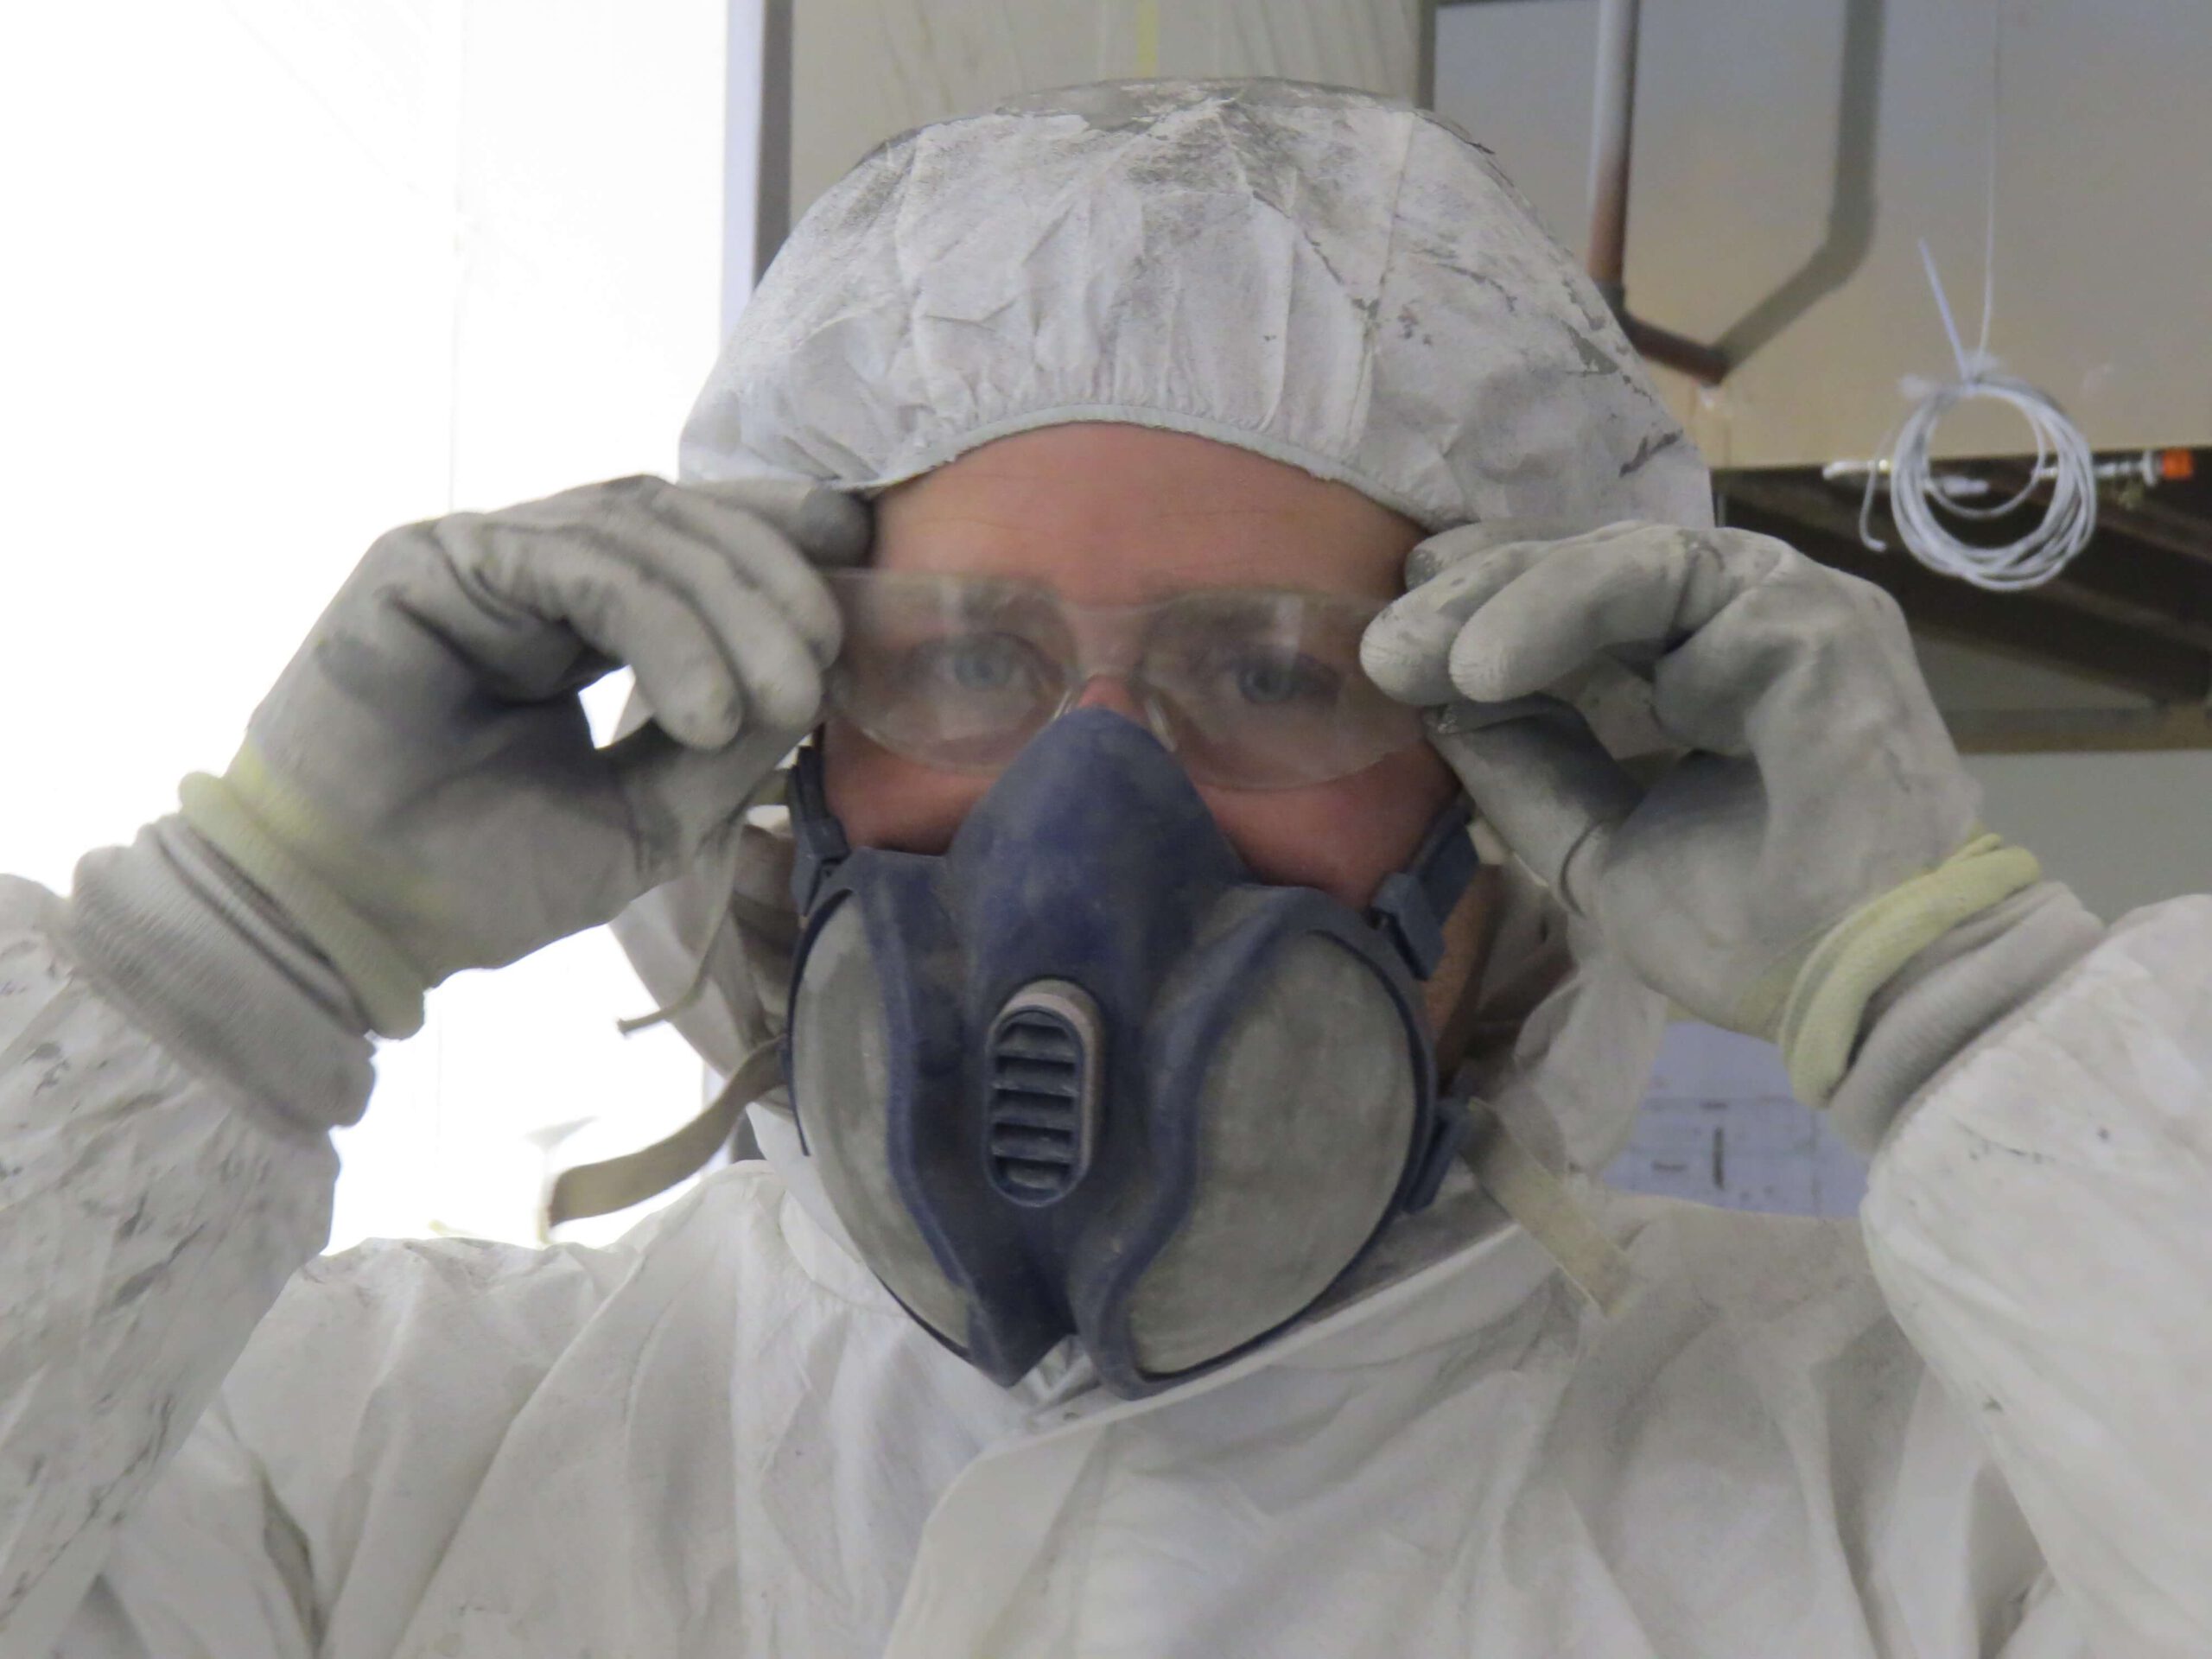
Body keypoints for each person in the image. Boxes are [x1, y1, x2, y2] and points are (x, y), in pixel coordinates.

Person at [3, 78, 2206, 1658]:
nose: (1082, 818)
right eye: (961, 664)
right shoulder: (372, 1457)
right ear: (784, 754)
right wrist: (225, 964)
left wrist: (1961, 1010)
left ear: (1525, 798)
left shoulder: (1922, 1495)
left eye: (1271, 674)